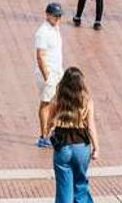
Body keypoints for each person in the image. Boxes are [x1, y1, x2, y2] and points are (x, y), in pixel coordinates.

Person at [45, 67, 98, 201]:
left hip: (62, 145)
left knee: (64, 187)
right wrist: (96, 147)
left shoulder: (57, 101)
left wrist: (49, 131)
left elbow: (49, 123)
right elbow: (91, 126)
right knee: (80, 185)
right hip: (81, 145)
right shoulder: (86, 101)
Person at [33, 2, 66, 146]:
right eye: (55, 16)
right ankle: (43, 135)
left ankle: (51, 129)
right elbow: (40, 56)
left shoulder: (55, 28)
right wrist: (47, 76)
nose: (58, 18)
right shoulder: (43, 32)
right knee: (46, 103)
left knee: (58, 102)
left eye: (59, 16)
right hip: (48, 73)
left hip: (58, 71)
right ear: (48, 15)